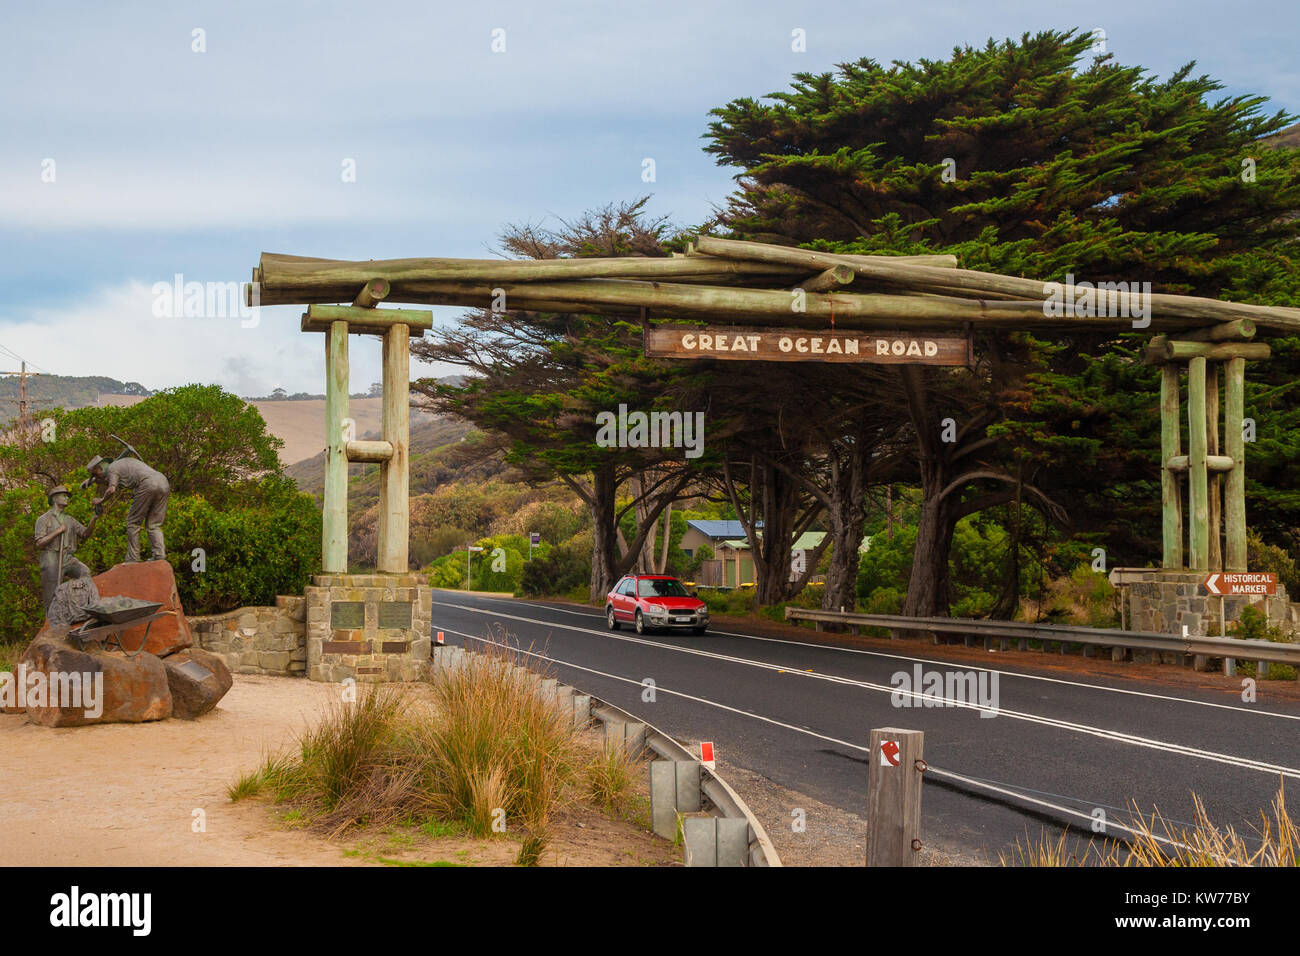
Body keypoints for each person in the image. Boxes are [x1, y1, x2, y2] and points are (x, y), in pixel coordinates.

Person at [86, 455, 170, 563]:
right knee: (154, 524)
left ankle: (133, 558)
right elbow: (106, 479)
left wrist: (101, 500)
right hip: (163, 482)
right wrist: (89, 481)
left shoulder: (112, 469)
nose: (98, 477)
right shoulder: (120, 464)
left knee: (132, 522)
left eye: (95, 473)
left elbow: (111, 489)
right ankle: (159, 555)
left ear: (99, 469)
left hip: (147, 484)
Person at [34, 485, 97, 611]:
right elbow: (39, 543)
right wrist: (58, 531)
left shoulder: (70, 520)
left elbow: (85, 534)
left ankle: (83, 608)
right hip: (51, 556)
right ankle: (51, 622)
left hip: (67, 557)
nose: (67, 498)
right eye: (64, 495)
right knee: (51, 594)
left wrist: (94, 518)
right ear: (54, 498)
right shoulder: (43, 519)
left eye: (67, 496)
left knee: (85, 572)